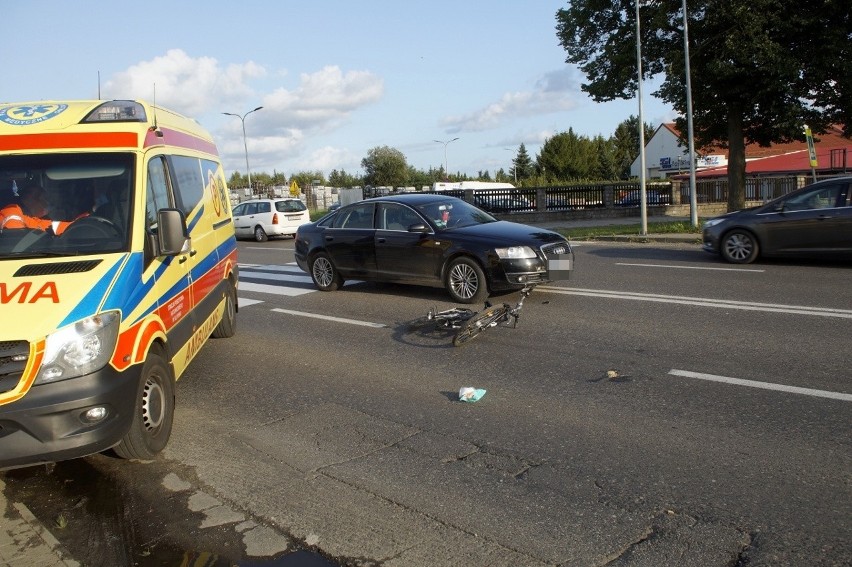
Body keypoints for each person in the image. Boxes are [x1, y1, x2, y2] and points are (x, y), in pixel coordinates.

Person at [0, 184, 75, 235]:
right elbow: (16, 236)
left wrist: (82, 222)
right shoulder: (11, 210)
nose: (47, 203)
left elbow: (55, 226)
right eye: (45, 199)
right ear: (31, 199)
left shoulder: (32, 220)